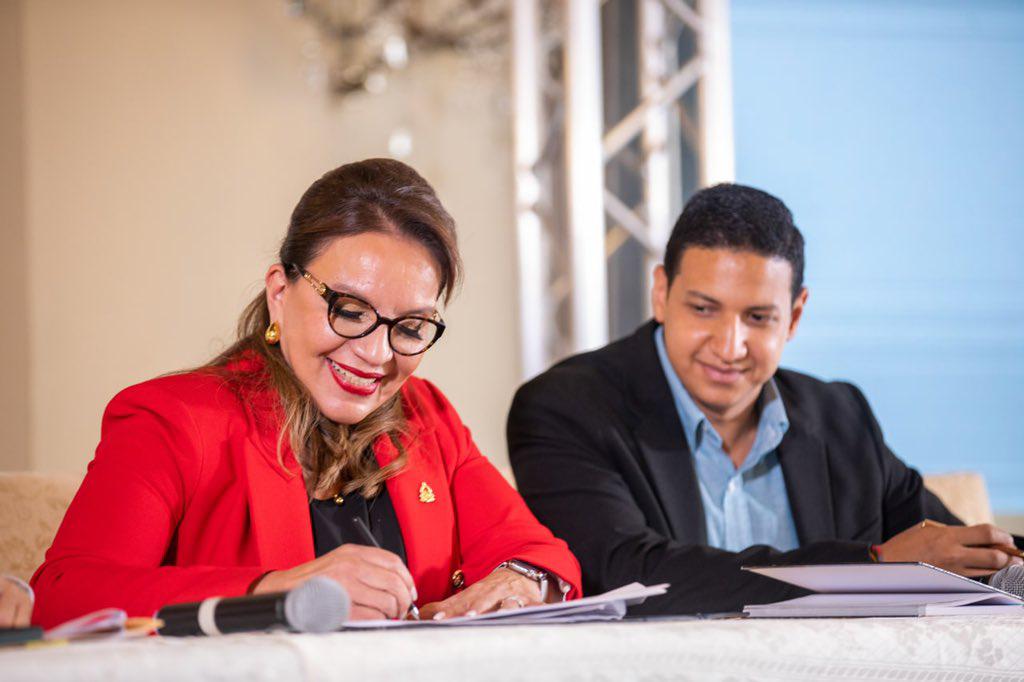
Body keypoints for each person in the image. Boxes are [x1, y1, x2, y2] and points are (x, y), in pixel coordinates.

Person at [32, 159, 580, 630]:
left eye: (411, 327)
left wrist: (521, 580)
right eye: (350, 311)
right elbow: (62, 594)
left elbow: (537, 552)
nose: (377, 354)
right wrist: (280, 590)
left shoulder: (426, 415)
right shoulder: (173, 418)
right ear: (279, 292)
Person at [507, 183, 1022, 615]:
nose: (730, 346)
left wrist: (1002, 566)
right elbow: (628, 576)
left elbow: (958, 555)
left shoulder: (840, 416)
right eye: (704, 309)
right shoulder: (566, 408)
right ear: (661, 293)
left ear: (794, 316)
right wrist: (873, 565)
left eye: (758, 318)